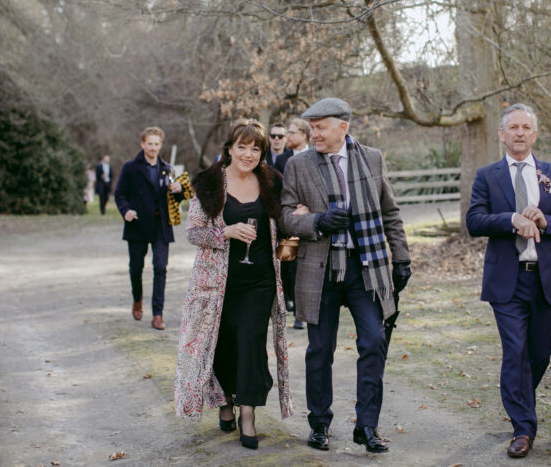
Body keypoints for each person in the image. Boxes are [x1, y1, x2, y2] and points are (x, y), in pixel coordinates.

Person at [280, 98, 411, 454]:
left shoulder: (372, 158)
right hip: (319, 270)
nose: (314, 133)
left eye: (321, 126)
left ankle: (367, 426)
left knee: (373, 342)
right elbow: (286, 218)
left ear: (343, 127)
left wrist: (401, 258)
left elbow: (390, 212)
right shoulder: (298, 164)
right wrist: (317, 221)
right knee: (320, 350)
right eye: (312, 127)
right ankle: (319, 425)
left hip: (364, 267)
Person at [466, 103, 551, 459]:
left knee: (539, 353)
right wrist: (512, 219)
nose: (519, 132)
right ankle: (523, 428)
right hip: (507, 281)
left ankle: (518, 399)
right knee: (515, 352)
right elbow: (474, 221)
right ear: (502, 135)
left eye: (525, 127)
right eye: (512, 127)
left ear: (534, 134)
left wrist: (546, 222)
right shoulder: (487, 176)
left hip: (545, 279)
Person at [174, 119, 292, 450]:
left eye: (256, 148)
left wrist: (293, 234)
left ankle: (249, 414)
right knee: (224, 344)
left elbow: (286, 226)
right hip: (216, 284)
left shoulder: (272, 181)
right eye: (242, 146)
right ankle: (225, 400)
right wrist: (224, 232)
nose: (248, 153)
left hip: (260, 280)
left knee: (251, 342)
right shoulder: (210, 183)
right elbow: (193, 231)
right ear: (229, 148)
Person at [114, 127, 183, 330]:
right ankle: (137, 299)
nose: (153, 148)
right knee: (136, 268)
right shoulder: (130, 168)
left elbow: (176, 198)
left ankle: (158, 314)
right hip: (137, 225)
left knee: (160, 268)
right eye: (149, 144)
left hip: (161, 226)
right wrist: (125, 210)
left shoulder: (167, 168)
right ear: (143, 144)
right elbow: (119, 194)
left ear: (161, 145)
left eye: (156, 144)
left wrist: (178, 191)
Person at [274, 117, 313, 329]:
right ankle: (290, 304)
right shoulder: (282, 160)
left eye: (292, 133)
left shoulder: (317, 157)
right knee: (287, 264)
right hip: (288, 222)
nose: (287, 136)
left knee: (305, 268)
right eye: (287, 132)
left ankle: (301, 312)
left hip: (309, 221)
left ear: (304, 135)